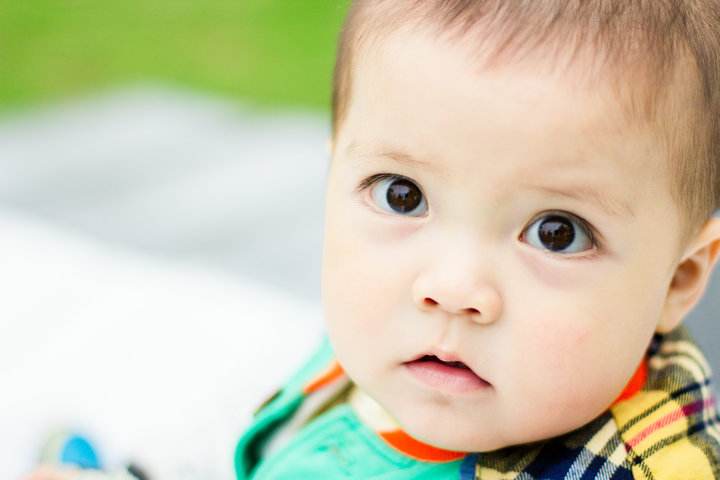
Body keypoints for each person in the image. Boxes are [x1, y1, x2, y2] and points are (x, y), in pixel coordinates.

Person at [29, 1, 720, 479]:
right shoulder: (407, 349)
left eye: (555, 233)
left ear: (679, 278)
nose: (450, 287)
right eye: (401, 195)